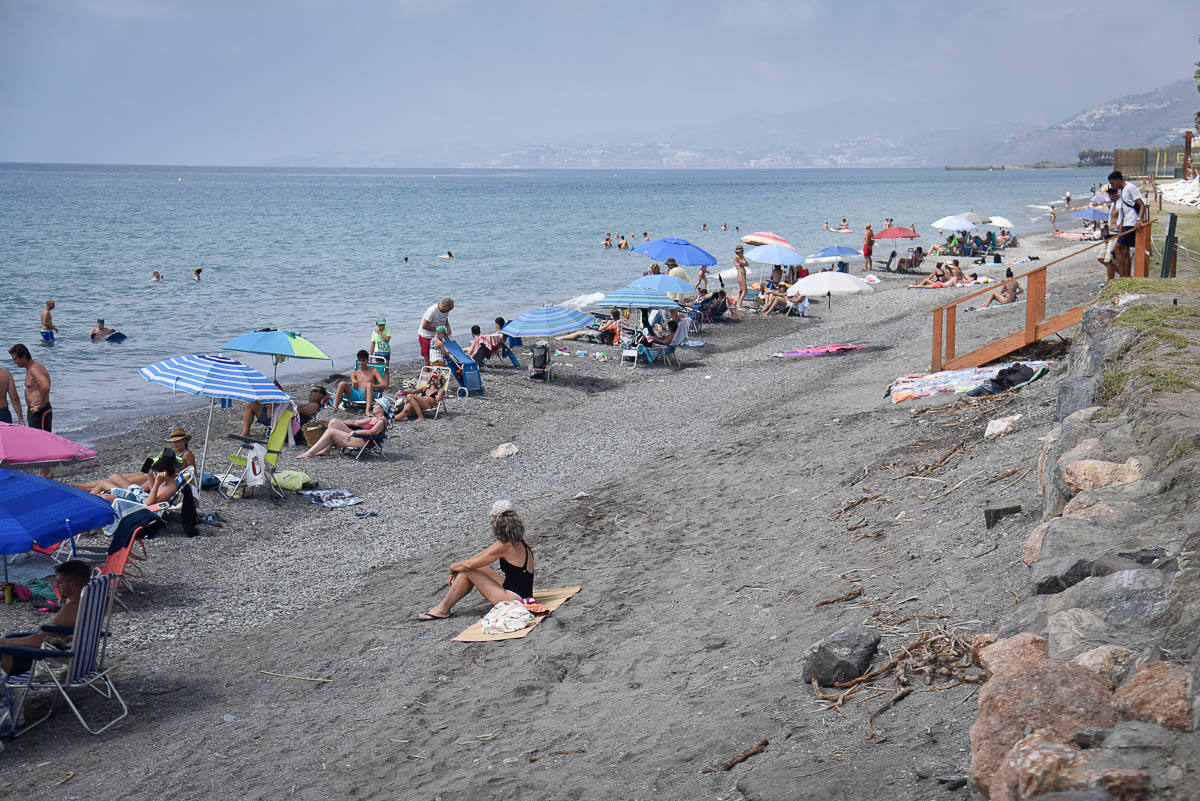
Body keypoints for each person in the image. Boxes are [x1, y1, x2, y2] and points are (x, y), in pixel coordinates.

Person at [419, 500, 535, 620]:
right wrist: (458, 566)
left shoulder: (505, 546)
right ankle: (444, 607)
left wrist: (453, 568)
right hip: (519, 591)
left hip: (514, 599)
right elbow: (478, 558)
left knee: (468, 571)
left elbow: (469, 565)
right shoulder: (514, 541)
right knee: (476, 567)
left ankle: (443, 609)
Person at [1, 560, 93, 677]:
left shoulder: (71, 608)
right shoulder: (89, 602)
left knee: (4, 648)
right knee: (9, 641)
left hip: (47, 662)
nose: (56, 585)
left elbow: (37, 641)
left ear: (73, 584)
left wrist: (4, 642)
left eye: (59, 582)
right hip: (74, 657)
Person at [296, 398, 391, 458]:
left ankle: (309, 453)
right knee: (333, 422)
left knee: (331, 432)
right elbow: (355, 422)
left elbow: (372, 432)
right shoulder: (373, 418)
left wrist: (356, 432)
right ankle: (326, 450)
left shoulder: (381, 422)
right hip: (358, 436)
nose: (374, 405)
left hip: (363, 440)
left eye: (376, 405)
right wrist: (340, 423)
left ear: (382, 409)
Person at [1109, 170, 1145, 278]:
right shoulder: (1123, 191)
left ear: (1119, 180)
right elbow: (1124, 212)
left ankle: (1123, 276)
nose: (1112, 186)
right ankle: (1126, 275)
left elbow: (1141, 205)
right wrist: (1121, 226)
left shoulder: (1129, 187)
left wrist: (1139, 220)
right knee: (1125, 251)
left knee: (1117, 248)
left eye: (1113, 183)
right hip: (1126, 223)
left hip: (1132, 223)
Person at [9, 344, 51, 432]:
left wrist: (39, 406)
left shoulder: (34, 369)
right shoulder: (31, 368)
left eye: (15, 359)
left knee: (40, 440)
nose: (14, 361)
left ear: (24, 357)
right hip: (36, 410)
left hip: (39, 412)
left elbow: (45, 386)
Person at [418, 298, 454, 365]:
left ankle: (436, 370)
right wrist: (438, 330)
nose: (448, 312)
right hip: (426, 336)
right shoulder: (432, 311)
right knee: (427, 357)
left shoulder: (445, 311)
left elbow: (445, 318)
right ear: (443, 306)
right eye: (448, 310)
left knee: (438, 354)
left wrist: (448, 327)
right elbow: (424, 325)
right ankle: (427, 373)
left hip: (437, 336)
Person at [1098, 186, 1121, 280]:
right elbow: (1110, 220)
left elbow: (1123, 220)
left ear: (1118, 194)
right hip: (1109, 233)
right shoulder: (1112, 205)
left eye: (1113, 194)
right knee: (1101, 258)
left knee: (1109, 260)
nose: (1111, 196)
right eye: (1110, 194)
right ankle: (1122, 273)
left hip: (1116, 234)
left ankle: (1112, 279)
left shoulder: (1120, 205)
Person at [732, 245, 749, 319]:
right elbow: (746, 264)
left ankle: (738, 303)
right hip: (741, 274)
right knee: (745, 291)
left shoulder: (739, 257)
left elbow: (746, 263)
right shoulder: (737, 257)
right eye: (742, 251)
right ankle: (739, 305)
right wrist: (743, 256)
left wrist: (743, 256)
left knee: (741, 290)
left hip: (741, 274)